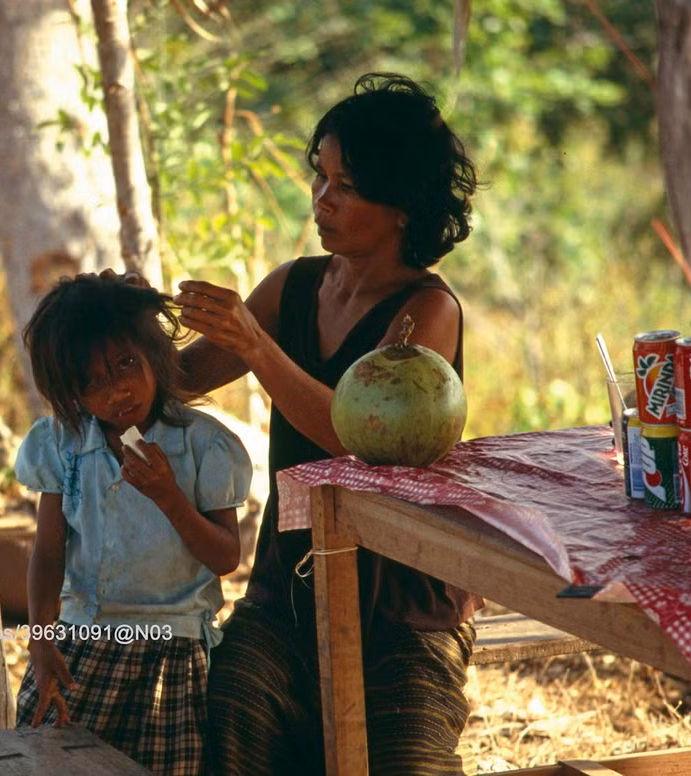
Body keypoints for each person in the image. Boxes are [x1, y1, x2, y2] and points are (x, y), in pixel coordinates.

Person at [173, 72, 483, 774]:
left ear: (402, 204)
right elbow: (185, 378)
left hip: (403, 608)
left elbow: (363, 436)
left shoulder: (427, 313)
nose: (322, 199)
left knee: (404, 763)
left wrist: (256, 345)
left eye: (345, 185)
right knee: (232, 727)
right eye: (320, 177)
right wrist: (121, 331)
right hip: (289, 592)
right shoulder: (295, 285)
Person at [12, 273, 253, 775]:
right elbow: (49, 553)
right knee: (53, 762)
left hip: (171, 655)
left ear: (155, 356)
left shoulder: (202, 445)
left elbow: (226, 557)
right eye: (91, 382)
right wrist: (40, 635)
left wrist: (170, 498)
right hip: (82, 642)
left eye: (126, 364)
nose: (117, 389)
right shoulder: (63, 444)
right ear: (69, 391)